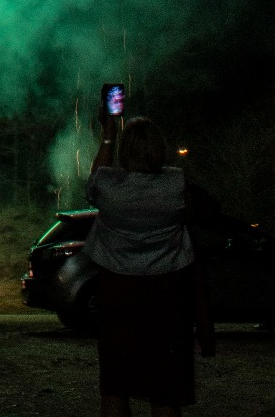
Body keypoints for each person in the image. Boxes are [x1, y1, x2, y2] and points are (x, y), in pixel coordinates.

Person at [85, 103, 215, 417]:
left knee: (116, 387)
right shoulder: (177, 184)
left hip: (118, 298)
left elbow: (94, 181)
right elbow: (210, 212)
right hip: (167, 298)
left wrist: (108, 136)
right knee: (165, 390)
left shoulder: (109, 187)